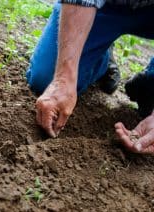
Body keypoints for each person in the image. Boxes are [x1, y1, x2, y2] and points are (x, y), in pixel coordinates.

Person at [25, 0, 154, 154]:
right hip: (107, 5)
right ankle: (101, 58)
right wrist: (63, 79)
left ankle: (150, 80)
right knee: (46, 79)